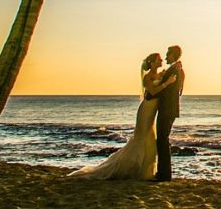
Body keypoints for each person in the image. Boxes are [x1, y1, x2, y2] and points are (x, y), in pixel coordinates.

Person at [68, 52, 177, 180]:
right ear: (152, 63)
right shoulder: (147, 77)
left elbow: (162, 81)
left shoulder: (157, 75)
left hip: (152, 110)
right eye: (159, 59)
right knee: (141, 137)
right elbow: (152, 92)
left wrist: (167, 76)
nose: (161, 61)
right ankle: (133, 168)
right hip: (146, 110)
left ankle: (145, 170)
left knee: (149, 138)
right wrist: (167, 83)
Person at [153, 44, 185, 181]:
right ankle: (164, 173)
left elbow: (167, 91)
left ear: (172, 55)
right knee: (162, 139)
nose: (165, 56)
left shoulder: (174, 70)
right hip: (169, 109)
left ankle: (164, 174)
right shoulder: (176, 68)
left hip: (167, 109)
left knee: (162, 139)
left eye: (167, 54)